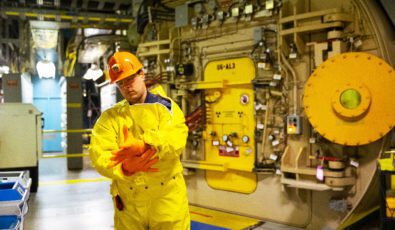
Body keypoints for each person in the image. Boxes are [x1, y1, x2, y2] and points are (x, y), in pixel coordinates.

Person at [89, 51, 190, 230]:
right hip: (130, 203)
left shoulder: (166, 108)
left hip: (166, 200)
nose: (127, 86)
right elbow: (100, 154)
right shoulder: (110, 118)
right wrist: (125, 168)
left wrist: (145, 145)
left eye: (130, 79)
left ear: (141, 74)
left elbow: (174, 138)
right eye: (121, 83)